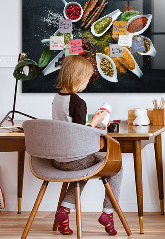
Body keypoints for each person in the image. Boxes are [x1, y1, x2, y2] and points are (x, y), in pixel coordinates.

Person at [52, 55, 122, 236]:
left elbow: (69, 127)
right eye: (86, 79)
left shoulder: (57, 98)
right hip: (75, 159)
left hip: (58, 159)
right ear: (77, 78)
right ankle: (108, 213)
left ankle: (64, 211)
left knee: (82, 170)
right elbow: (80, 134)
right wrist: (97, 121)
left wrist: (91, 123)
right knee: (117, 167)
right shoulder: (78, 102)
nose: (87, 83)